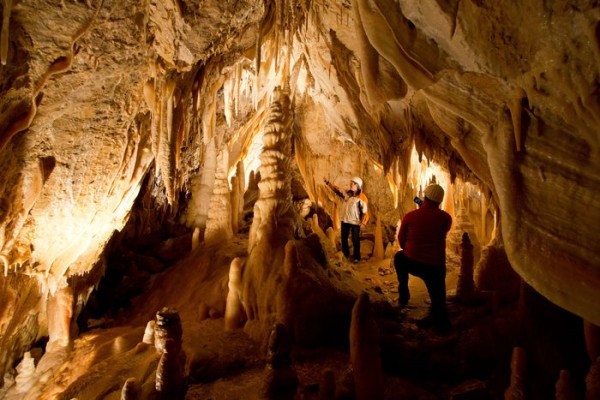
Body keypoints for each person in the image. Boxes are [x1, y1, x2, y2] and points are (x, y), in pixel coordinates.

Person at [394, 183, 452, 332]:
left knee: (399, 258)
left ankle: (404, 296)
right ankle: (440, 322)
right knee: (438, 297)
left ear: (424, 197)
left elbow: (401, 238)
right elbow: (434, 215)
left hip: (411, 261)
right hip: (435, 267)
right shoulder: (446, 218)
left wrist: (408, 249)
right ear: (440, 201)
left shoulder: (410, 216)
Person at [324, 176, 369, 263]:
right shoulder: (347, 194)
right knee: (344, 238)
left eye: (353, 183)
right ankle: (345, 255)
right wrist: (328, 183)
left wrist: (363, 222)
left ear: (358, 185)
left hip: (355, 222)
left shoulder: (362, 197)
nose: (351, 184)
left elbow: (365, 211)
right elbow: (337, 190)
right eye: (351, 183)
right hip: (345, 220)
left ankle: (356, 257)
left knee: (355, 239)